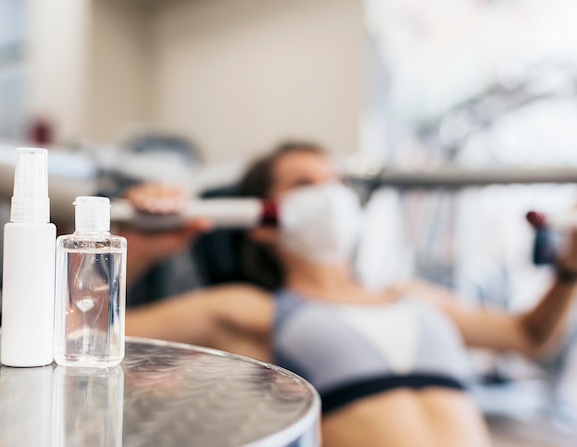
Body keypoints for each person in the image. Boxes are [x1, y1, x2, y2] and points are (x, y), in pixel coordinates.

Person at [124, 142, 577, 447]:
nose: (330, 194)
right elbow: (78, 334)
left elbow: (531, 336)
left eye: (337, 181)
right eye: (304, 183)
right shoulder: (251, 309)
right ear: (262, 221)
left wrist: (568, 270)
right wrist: (133, 249)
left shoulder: (413, 296)